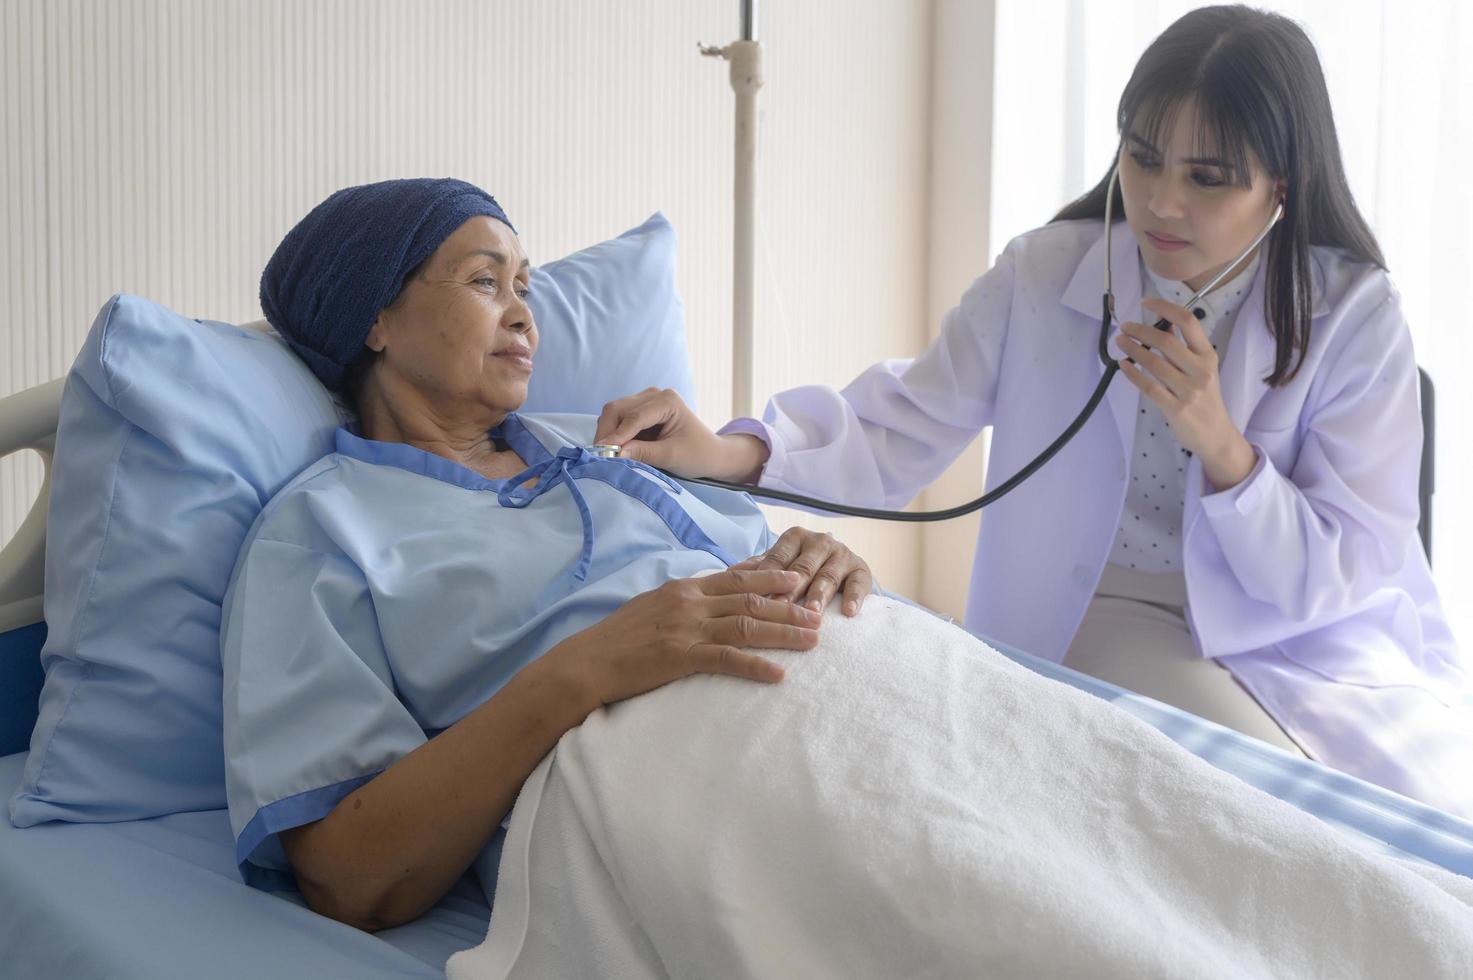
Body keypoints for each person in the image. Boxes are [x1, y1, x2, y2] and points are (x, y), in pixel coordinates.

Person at [590, 5, 1469, 816]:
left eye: (1207, 178)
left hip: (1306, 640)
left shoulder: (1354, 316)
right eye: (1143, 156)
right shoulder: (1046, 273)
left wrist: (1222, 445)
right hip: (1104, 612)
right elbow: (899, 421)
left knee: (1387, 828)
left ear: (1279, 184)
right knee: (1239, 811)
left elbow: (1342, 570)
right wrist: (727, 453)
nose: (1162, 201)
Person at [225, 177, 875, 931]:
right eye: (484, 281)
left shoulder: (601, 441)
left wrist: (820, 559)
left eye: (523, 286)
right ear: (376, 318)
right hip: (698, 778)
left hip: (854, 679)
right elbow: (348, 878)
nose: (524, 314)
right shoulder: (319, 530)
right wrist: (590, 665)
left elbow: (754, 564)